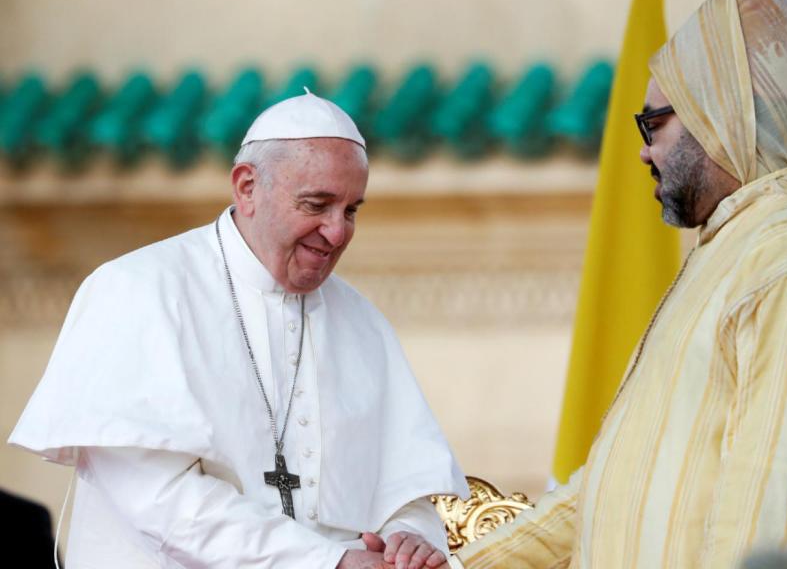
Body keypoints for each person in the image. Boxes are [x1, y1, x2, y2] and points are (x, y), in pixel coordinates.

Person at [452, 0, 787, 567]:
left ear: (718, 113)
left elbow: (772, 507)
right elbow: (606, 491)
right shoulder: (740, 242)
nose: (642, 152)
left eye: (653, 124)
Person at [10, 90, 469, 569]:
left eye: (351, 210)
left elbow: (405, 493)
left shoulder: (363, 323)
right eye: (317, 205)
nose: (338, 232)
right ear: (247, 186)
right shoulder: (137, 291)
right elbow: (161, 500)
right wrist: (327, 562)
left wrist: (408, 538)